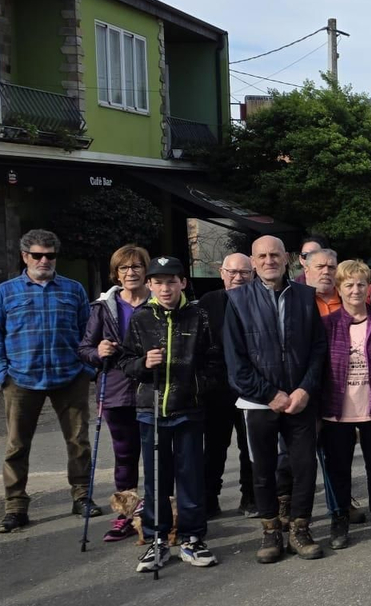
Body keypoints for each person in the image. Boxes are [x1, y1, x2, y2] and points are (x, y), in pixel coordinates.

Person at [111, 257, 224, 572]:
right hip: (151, 412)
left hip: (189, 411)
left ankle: (191, 538)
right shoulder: (141, 318)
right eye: (158, 282)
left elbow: (215, 361)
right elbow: (126, 361)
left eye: (171, 281)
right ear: (149, 285)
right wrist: (144, 364)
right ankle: (157, 540)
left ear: (183, 283)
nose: (165, 287)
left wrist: (196, 386)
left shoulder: (199, 316)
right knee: (157, 480)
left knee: (190, 478)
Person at [224, 235, 327, 563]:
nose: (269, 261)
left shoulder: (305, 297)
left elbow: (317, 349)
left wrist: (304, 389)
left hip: (299, 400)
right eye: (262, 256)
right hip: (260, 402)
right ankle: (271, 531)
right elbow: (235, 361)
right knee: (263, 469)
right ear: (253, 263)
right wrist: (270, 394)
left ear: (288, 259)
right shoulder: (238, 301)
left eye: (275, 255)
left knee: (304, 466)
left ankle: (300, 527)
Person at [0, 228, 97, 533]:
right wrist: (0, 374)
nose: (44, 260)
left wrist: (87, 370)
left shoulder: (73, 290)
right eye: (37, 255)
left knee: (78, 441)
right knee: (17, 446)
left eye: (50, 255)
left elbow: (87, 332)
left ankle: (82, 496)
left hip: (69, 376)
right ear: (25, 256)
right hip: (21, 379)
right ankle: (15, 507)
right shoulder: (5, 293)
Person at [320, 260, 371, 549]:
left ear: (369, 287)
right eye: (349, 285)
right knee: (338, 469)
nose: (355, 290)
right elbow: (319, 369)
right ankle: (340, 518)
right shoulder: (327, 325)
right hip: (336, 412)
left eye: (361, 284)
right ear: (339, 289)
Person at [77, 244, 150, 541]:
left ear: (146, 271)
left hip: (153, 387)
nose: (130, 272)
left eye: (136, 266)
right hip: (117, 389)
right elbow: (83, 348)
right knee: (124, 456)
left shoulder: (160, 301)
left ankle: (161, 512)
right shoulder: (102, 308)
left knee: (160, 454)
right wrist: (98, 351)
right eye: (124, 268)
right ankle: (126, 514)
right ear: (116, 273)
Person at [198, 254, 257, 520]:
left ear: (252, 274)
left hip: (251, 384)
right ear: (222, 273)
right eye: (232, 272)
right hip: (217, 387)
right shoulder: (209, 302)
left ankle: (251, 497)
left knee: (250, 445)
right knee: (214, 446)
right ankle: (209, 498)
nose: (238, 277)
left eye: (244, 272)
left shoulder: (260, 299)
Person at [304, 247, 342, 317]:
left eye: (331, 267)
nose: (326, 272)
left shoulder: (348, 298)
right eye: (320, 267)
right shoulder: (295, 301)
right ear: (307, 271)